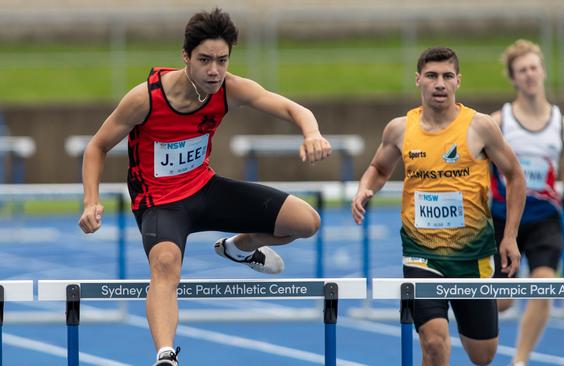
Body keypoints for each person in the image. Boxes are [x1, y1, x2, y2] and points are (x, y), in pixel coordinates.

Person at [77, 8, 331, 366]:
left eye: (222, 60)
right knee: (166, 265)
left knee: (306, 222)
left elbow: (293, 108)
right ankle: (166, 355)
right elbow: (97, 147)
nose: (214, 70)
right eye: (205, 60)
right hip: (160, 202)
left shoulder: (229, 88)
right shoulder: (145, 98)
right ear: (186, 57)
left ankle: (240, 247)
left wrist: (312, 133)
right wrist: (91, 202)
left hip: (204, 188)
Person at [352, 47, 526, 366]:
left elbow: (515, 176)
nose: (440, 83)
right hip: (422, 253)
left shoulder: (480, 127)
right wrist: (365, 188)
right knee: (434, 343)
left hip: (472, 257)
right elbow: (379, 168)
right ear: (418, 79)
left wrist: (510, 236)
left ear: (458, 81)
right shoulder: (400, 129)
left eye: (447, 76)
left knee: (483, 354)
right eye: (432, 76)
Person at [490, 39, 564, 366]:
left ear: (542, 72)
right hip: (504, 220)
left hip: (544, 219)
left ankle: (520, 360)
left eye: (533, 68)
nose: (529, 75)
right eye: (522, 70)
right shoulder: (498, 123)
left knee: (544, 286)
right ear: (513, 78)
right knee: (501, 301)